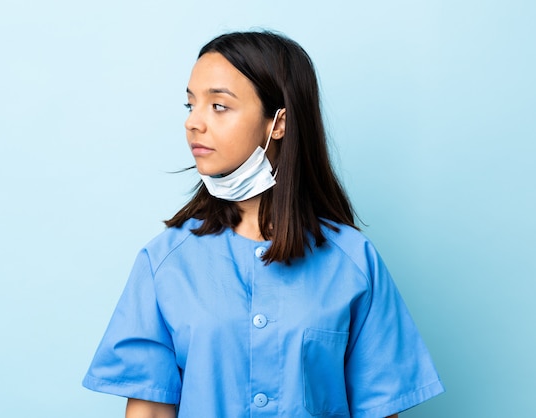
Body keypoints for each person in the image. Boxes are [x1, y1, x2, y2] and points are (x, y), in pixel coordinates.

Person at [83, 30, 444, 418]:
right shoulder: (164, 262)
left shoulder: (353, 261)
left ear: (279, 122)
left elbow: (380, 408)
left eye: (219, 106)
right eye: (190, 105)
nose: (194, 123)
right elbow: (149, 410)